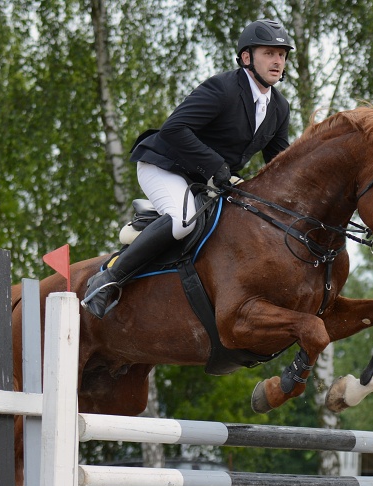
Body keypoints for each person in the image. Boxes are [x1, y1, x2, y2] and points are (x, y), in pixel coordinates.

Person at [81, 19, 294, 318]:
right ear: (247, 58)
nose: (277, 61)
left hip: (204, 180)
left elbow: (279, 163)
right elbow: (174, 129)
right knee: (183, 222)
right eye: (269, 53)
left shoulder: (279, 107)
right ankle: (107, 281)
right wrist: (216, 166)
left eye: (282, 55)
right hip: (165, 165)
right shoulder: (223, 88)